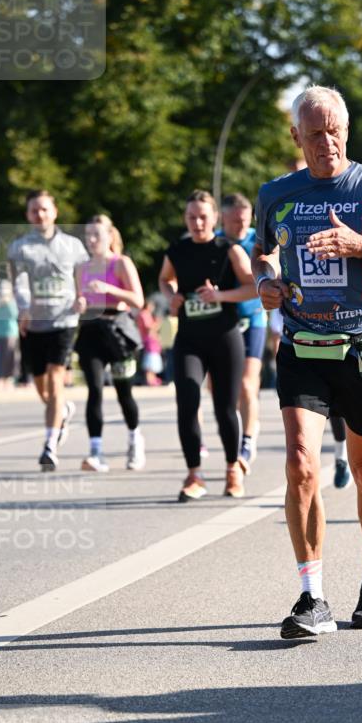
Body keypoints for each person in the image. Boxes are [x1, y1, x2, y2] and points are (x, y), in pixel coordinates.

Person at [252, 85, 362, 638]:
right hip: (304, 344)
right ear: (296, 137)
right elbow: (264, 250)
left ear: (345, 131)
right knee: (301, 461)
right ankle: (312, 597)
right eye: (314, 133)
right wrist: (265, 281)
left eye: (333, 131)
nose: (325, 142)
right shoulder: (276, 193)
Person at [158, 190, 256, 501]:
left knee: (225, 408)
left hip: (225, 338)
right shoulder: (177, 250)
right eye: (192, 217)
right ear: (185, 219)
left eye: (203, 217)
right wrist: (170, 295)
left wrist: (221, 297)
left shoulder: (230, 249)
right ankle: (194, 474)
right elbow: (164, 279)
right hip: (189, 338)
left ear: (214, 218)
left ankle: (232, 469)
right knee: (187, 400)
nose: (198, 222)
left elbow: (254, 288)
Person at [7, 190, 88, 470]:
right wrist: (24, 307)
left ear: (54, 211)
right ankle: (63, 411)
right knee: (42, 387)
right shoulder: (20, 248)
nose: (39, 215)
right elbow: (18, 282)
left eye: (44, 209)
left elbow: (83, 278)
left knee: (55, 382)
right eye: (34, 211)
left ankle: (50, 445)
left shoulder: (74, 246)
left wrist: (82, 296)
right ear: (28, 215)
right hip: (33, 323)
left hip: (63, 321)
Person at [74, 215, 146, 471]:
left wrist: (109, 289)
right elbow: (78, 300)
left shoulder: (121, 264)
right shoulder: (82, 268)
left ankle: (135, 439)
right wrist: (79, 303)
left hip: (118, 331)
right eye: (88, 235)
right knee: (94, 390)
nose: (91, 240)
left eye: (97, 235)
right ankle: (96, 452)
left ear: (109, 237)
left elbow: (138, 300)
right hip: (90, 330)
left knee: (123, 392)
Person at [220, 193, 267, 468]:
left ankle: (247, 441)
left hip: (253, 320)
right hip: (221, 322)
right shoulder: (214, 240)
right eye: (235, 220)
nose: (241, 225)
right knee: (219, 389)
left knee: (247, 384)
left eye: (245, 219)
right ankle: (239, 426)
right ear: (223, 217)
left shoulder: (257, 241)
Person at [0, 279, 19, 388]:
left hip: (11, 334)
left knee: (10, 357)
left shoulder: (12, 301)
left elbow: (14, 314)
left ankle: (9, 379)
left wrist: (8, 303)